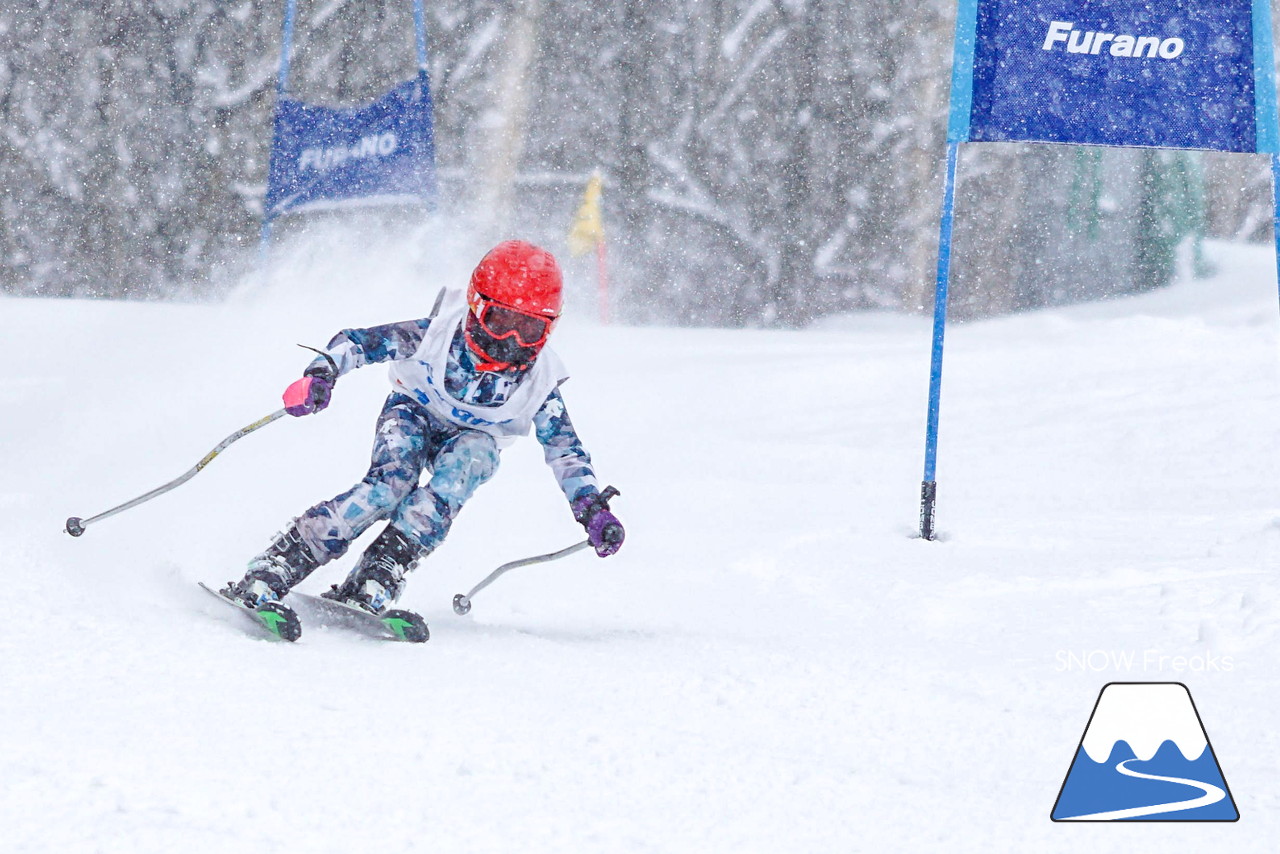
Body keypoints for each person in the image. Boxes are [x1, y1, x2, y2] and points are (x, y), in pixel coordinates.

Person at [222, 240, 624, 615]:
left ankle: (381, 570)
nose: (511, 341)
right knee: (390, 486)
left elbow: (565, 451)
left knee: (472, 459)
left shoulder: (539, 380)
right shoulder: (432, 336)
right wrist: (321, 375)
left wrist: (591, 508)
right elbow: (357, 343)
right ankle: (281, 562)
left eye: (530, 328)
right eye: (499, 320)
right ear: (475, 305)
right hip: (412, 413)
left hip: (469, 441)